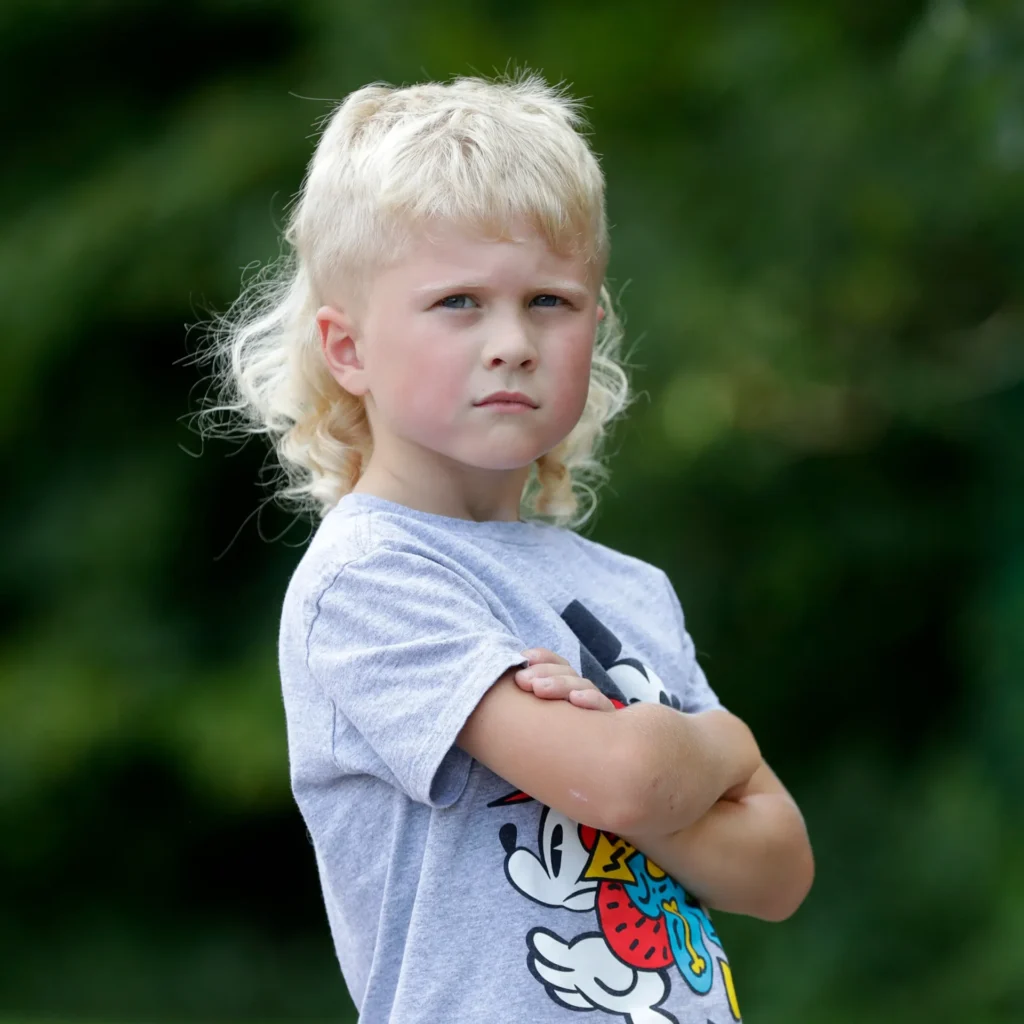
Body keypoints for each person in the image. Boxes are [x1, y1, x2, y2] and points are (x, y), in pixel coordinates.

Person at [196, 70, 813, 1024]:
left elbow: (777, 871)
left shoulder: (630, 588)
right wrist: (720, 748)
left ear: (595, 325)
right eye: (457, 303)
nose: (513, 341)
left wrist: (659, 759)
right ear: (347, 349)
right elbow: (626, 779)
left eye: (551, 303)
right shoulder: (368, 578)